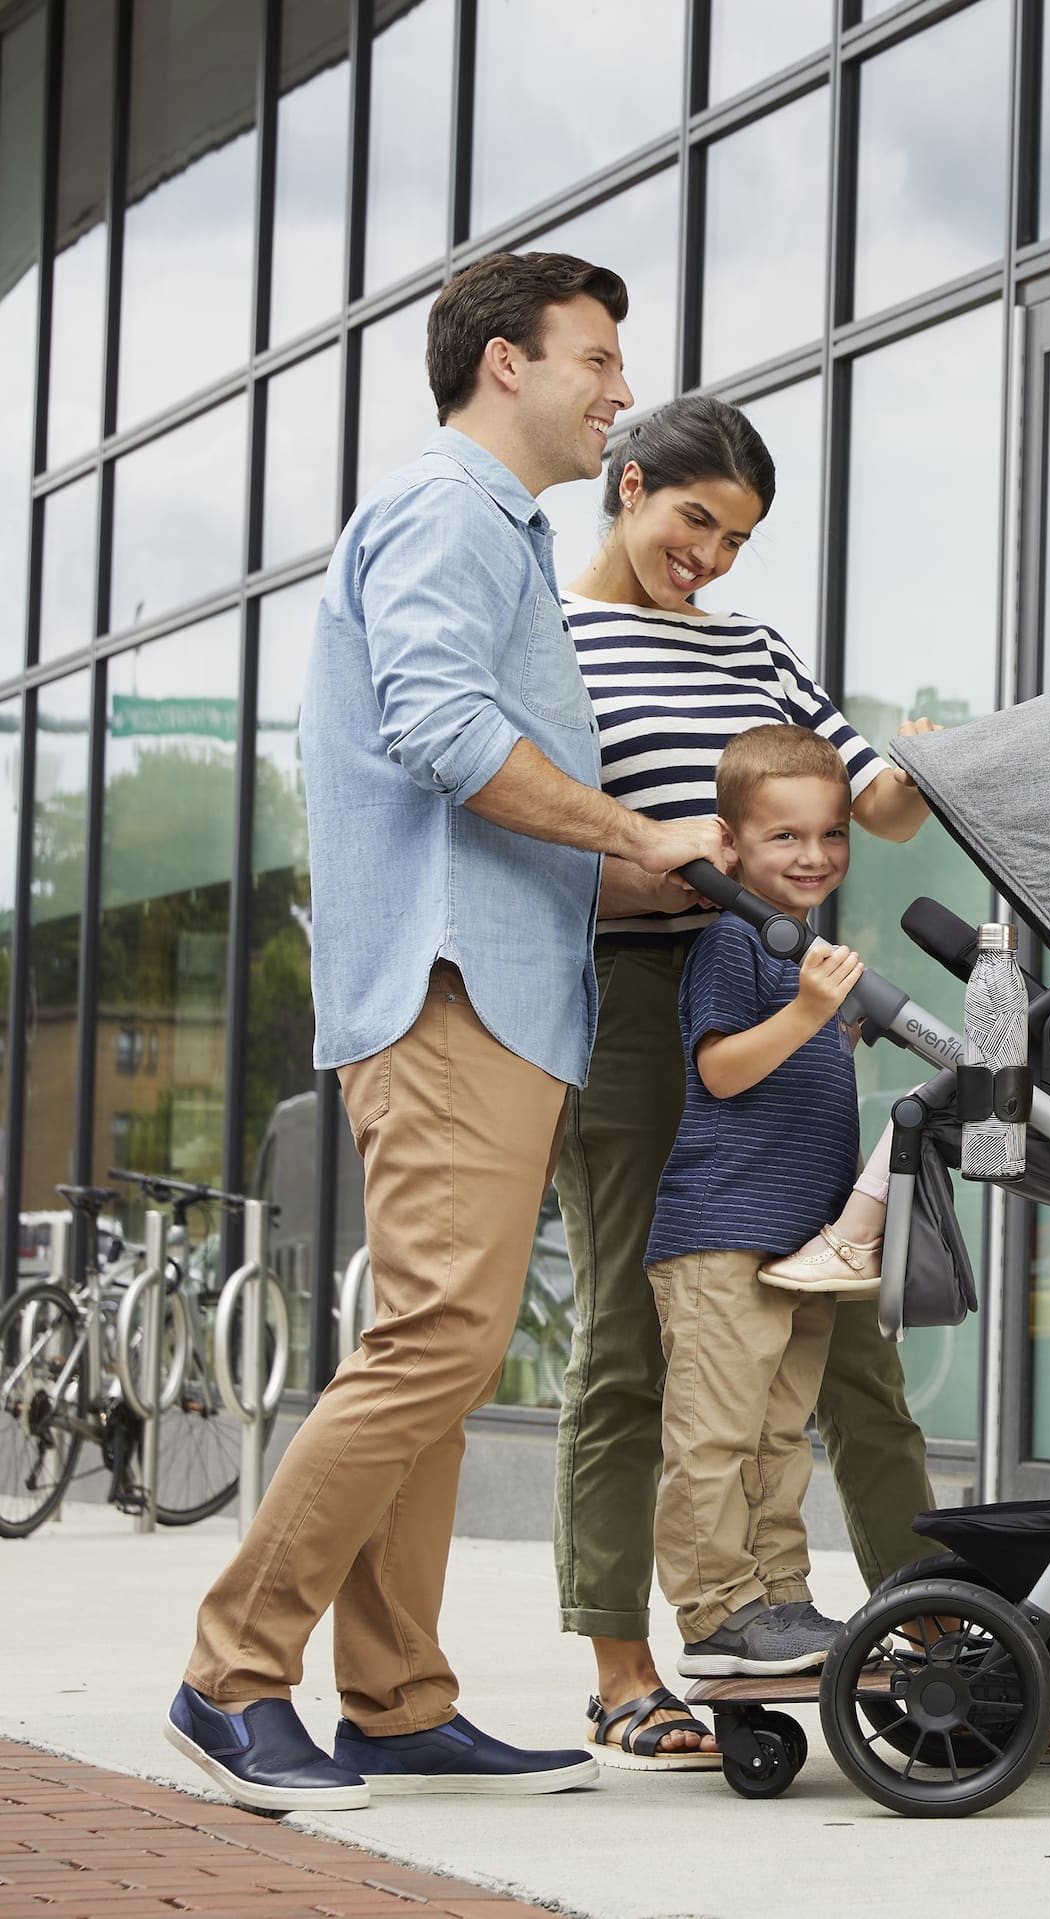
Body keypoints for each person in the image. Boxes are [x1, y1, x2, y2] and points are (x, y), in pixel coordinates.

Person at [164, 250, 725, 1815]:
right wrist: (637, 825)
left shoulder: (502, 536)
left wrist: (637, 862)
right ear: (504, 364)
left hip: (500, 981)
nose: (622, 391)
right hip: (448, 985)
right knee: (434, 1345)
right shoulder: (442, 513)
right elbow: (441, 728)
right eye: (599, 360)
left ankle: (400, 1702)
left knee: (441, 1350)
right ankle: (230, 1674)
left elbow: (485, 768)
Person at [554, 396, 1050, 1766]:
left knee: (849, 1343)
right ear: (626, 488)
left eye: (737, 537)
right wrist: (680, 856)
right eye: (694, 522)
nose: (713, 559)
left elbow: (871, 800)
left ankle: (941, 1651)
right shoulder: (554, 639)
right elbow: (545, 840)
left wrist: (923, 760)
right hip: (631, 1004)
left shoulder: (757, 648)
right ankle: (628, 1664)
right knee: (634, 1336)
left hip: (793, 1003)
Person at [647, 725, 870, 1673]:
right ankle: (715, 1611)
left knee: (782, 1433)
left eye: (830, 834)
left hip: (798, 1243)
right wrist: (812, 1014)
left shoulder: (805, 953)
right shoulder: (734, 942)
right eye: (785, 837)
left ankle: (778, 1595)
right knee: (717, 1432)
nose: (812, 855)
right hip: (723, 1235)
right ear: (730, 847)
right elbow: (723, 1073)